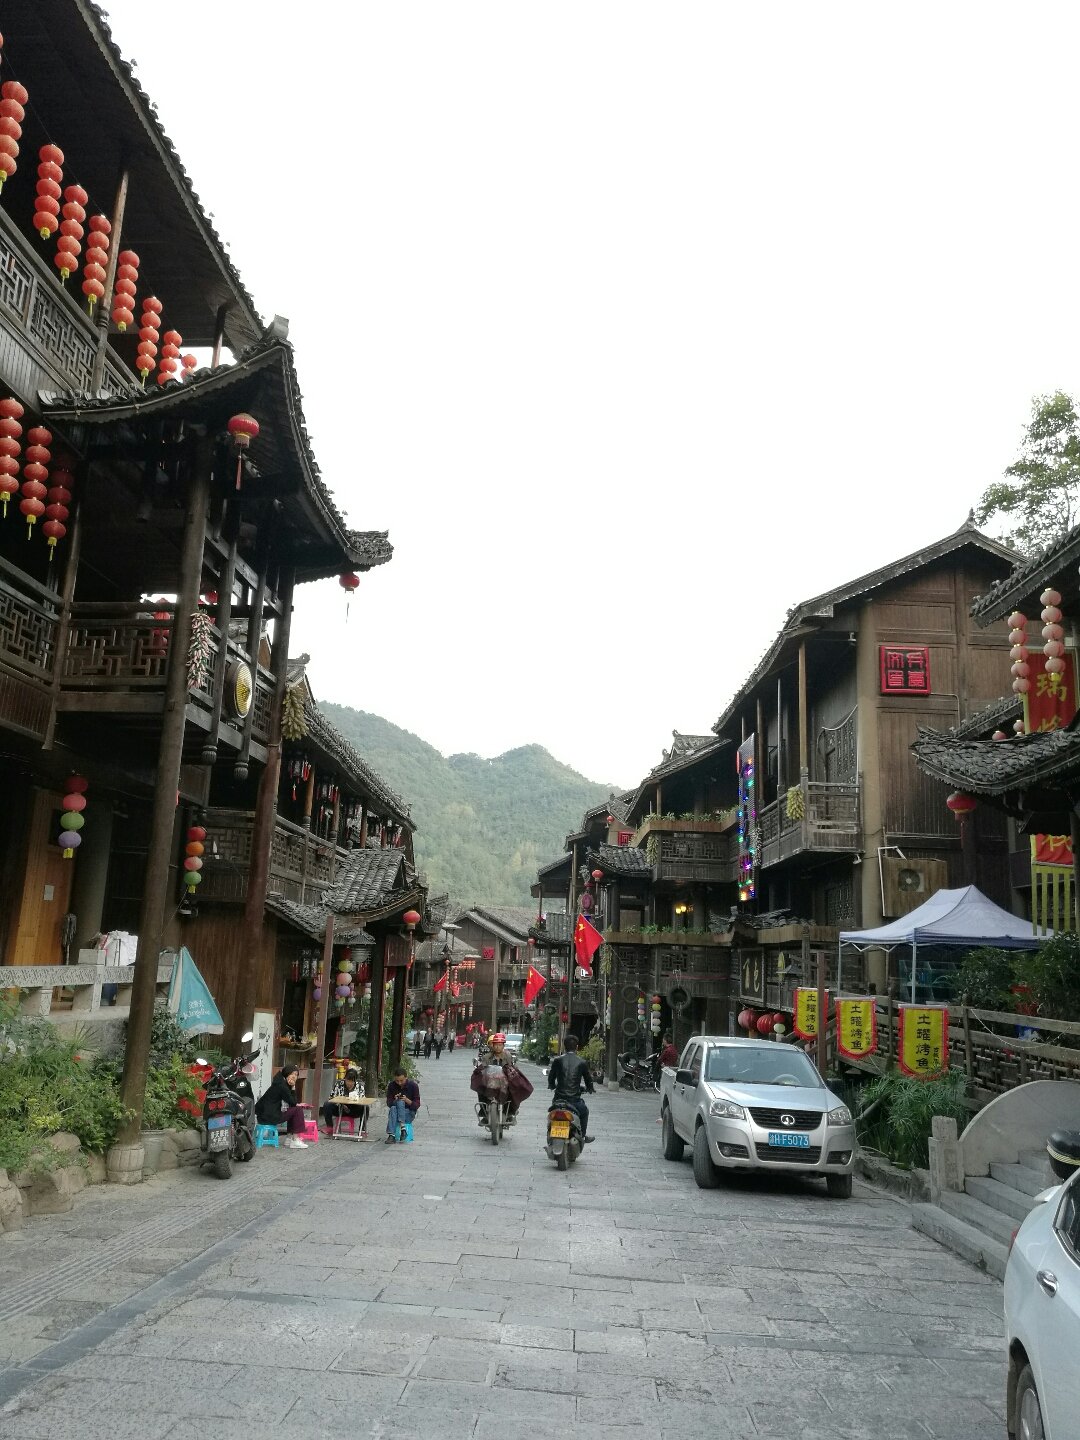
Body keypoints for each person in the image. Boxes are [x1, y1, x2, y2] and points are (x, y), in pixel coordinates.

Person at [470, 1032, 533, 1125]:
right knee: (480, 1089)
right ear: (493, 1045)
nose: (497, 1047)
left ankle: (511, 1112)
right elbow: (482, 1067)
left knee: (515, 1088)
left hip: (504, 1081)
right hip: (490, 1081)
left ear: (503, 1046)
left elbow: (512, 1067)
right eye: (496, 1045)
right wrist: (480, 1072)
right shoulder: (486, 1057)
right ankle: (484, 1112)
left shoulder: (508, 1056)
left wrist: (512, 1072)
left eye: (500, 1045)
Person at [547, 1034, 594, 1143]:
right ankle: (583, 1136)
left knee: (551, 1116)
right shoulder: (582, 1062)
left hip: (558, 1099)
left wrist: (552, 1085)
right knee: (584, 1112)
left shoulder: (557, 1060)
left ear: (564, 1046)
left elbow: (551, 1077)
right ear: (577, 1047)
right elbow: (588, 1079)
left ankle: (550, 1133)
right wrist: (590, 1088)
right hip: (574, 1101)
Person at [255, 1064, 308, 1149]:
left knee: (293, 1110)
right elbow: (293, 1102)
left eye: (296, 1074)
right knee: (297, 1110)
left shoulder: (279, 1082)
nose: (294, 1076)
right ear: (287, 1073)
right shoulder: (282, 1085)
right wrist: (293, 1088)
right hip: (270, 1117)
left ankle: (289, 1138)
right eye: (292, 1074)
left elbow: (291, 1103)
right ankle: (295, 1139)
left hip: (264, 1116)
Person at [321, 1065, 363, 1134]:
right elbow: (331, 1098)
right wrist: (341, 1104)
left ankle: (362, 1129)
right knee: (327, 1104)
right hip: (340, 1109)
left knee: (366, 1108)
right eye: (348, 1080)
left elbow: (362, 1100)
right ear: (345, 1078)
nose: (349, 1083)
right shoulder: (339, 1084)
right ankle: (329, 1127)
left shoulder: (360, 1087)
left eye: (352, 1081)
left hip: (354, 1110)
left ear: (355, 1081)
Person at [385, 1067, 420, 1143]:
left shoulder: (413, 1086)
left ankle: (392, 1135)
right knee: (394, 1107)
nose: (399, 1083)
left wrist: (407, 1100)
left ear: (406, 1077)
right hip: (395, 1113)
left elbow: (417, 1104)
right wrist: (395, 1100)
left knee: (399, 1103)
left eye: (401, 1080)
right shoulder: (392, 1085)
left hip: (409, 1112)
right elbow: (388, 1103)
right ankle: (403, 1129)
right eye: (397, 1081)